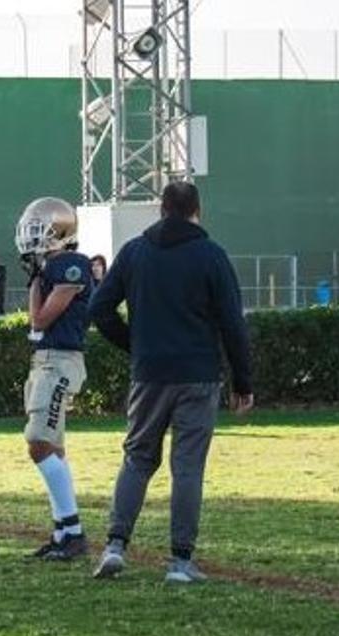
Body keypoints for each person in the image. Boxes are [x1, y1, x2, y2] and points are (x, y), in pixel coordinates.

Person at [89, 181, 253, 584]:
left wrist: (136, 345)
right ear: (198, 210)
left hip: (149, 374)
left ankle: (115, 545)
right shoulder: (211, 256)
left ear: (161, 209)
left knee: (137, 459)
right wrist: (243, 381)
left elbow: (99, 308)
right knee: (187, 468)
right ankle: (180, 561)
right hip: (198, 375)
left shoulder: (134, 252)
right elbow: (233, 323)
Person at [14, 197, 93, 562]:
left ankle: (74, 532)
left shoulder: (72, 266)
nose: (32, 237)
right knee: (53, 448)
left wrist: (35, 282)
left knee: (38, 441)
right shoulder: (52, 268)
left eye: (39, 229)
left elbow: (40, 320)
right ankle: (62, 531)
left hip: (60, 361)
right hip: (45, 361)